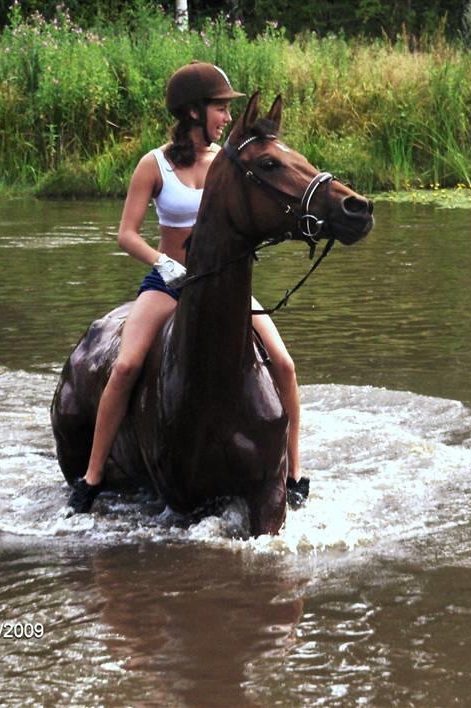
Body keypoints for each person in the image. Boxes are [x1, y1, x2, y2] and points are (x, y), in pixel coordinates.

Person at [68, 62, 309, 515]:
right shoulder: (153, 164)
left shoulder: (227, 164)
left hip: (219, 284)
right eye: (220, 108)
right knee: (126, 366)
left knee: (284, 362)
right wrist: (163, 263)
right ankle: (94, 474)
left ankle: (293, 472)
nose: (225, 118)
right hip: (169, 280)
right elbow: (127, 234)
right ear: (193, 112)